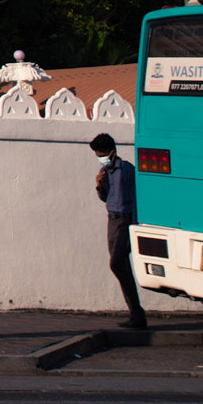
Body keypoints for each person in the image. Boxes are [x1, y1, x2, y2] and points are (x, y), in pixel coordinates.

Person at [90, 133, 147, 329]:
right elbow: (105, 198)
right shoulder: (105, 172)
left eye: (103, 154)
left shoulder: (127, 170)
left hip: (125, 219)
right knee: (120, 265)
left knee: (116, 264)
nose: (101, 158)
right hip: (112, 220)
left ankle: (137, 311)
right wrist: (99, 185)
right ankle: (135, 313)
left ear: (112, 152)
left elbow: (137, 194)